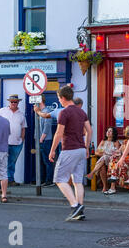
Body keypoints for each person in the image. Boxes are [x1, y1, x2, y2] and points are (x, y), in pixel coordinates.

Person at [49, 86, 92, 221]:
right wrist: (86, 148)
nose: (59, 101)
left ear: (62, 98)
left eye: (59, 99)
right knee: (77, 181)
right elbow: (89, 131)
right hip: (80, 149)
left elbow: (59, 133)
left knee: (59, 179)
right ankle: (80, 209)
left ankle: (75, 206)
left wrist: (52, 150)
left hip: (69, 149)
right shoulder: (81, 112)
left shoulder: (64, 113)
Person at [0, 94, 27, 186]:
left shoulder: (21, 114)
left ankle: (10, 180)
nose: (13, 103)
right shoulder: (1, 111)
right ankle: (0, 181)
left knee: (12, 162)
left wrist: (22, 139)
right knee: (1, 162)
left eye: (15, 102)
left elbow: (23, 128)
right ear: (9, 102)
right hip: (3, 142)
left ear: (18, 102)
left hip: (17, 143)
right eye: (12, 102)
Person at [86, 127, 120, 194]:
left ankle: (92, 173)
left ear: (113, 134)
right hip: (103, 159)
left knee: (104, 157)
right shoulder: (103, 141)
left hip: (112, 160)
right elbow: (96, 152)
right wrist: (102, 153)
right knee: (102, 167)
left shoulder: (116, 142)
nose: (108, 132)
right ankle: (105, 186)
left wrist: (108, 154)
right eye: (107, 131)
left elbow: (117, 153)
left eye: (110, 131)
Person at [107, 126, 129, 194]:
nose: (126, 134)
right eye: (127, 133)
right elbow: (119, 151)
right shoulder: (125, 142)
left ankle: (113, 183)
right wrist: (115, 153)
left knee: (118, 164)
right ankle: (113, 178)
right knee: (114, 159)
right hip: (123, 159)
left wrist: (123, 154)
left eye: (127, 133)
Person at [37, 95, 55, 187]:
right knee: (42, 161)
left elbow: (47, 127)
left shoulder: (46, 112)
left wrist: (41, 138)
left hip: (45, 140)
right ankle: (43, 179)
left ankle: (49, 180)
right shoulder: (41, 112)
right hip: (42, 140)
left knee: (47, 161)